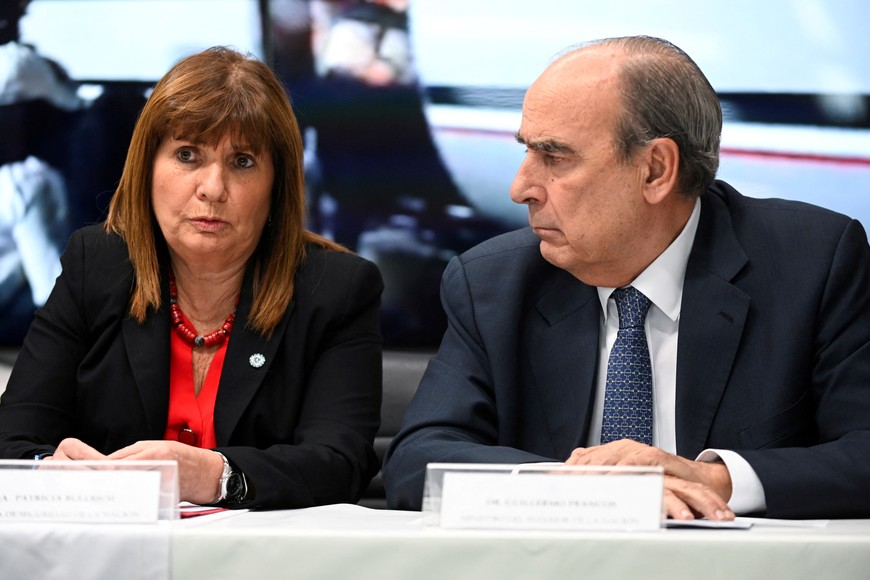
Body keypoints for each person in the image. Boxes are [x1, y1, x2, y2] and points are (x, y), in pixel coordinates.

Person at [383, 35, 870, 520]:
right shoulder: (493, 283)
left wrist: (713, 480)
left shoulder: (812, 263)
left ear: (656, 170)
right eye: (526, 152)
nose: (520, 188)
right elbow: (416, 461)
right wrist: (581, 490)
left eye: (554, 157)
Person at [0, 46, 385, 510]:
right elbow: (13, 438)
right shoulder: (96, 266)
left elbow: (339, 465)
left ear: (277, 185)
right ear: (147, 168)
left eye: (242, 161)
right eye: (187, 155)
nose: (212, 188)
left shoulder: (336, 289)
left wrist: (219, 476)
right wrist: (48, 469)